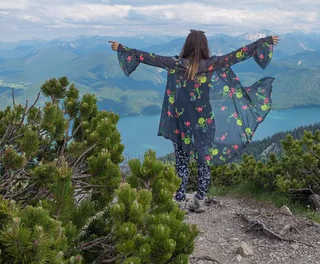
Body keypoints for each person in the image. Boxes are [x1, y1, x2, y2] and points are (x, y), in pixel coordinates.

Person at [109, 30, 279, 211]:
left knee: (181, 162)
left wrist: (122, 48)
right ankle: (200, 200)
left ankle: (180, 199)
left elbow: (149, 57)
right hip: (205, 122)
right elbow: (238, 54)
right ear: (204, 46)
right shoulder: (212, 64)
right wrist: (263, 42)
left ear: (187, 45)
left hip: (181, 123)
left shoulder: (175, 64)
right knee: (203, 161)